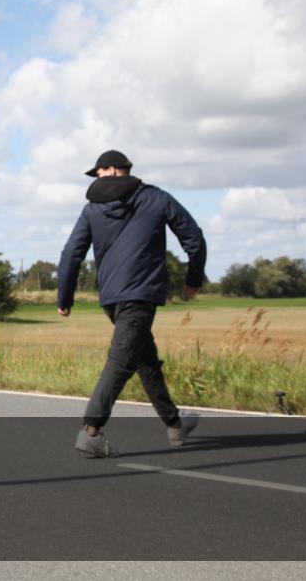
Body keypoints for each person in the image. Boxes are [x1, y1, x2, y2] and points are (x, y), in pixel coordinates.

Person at [57, 150, 207, 458]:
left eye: (98, 172)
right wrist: (193, 278)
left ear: (112, 170)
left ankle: (175, 423)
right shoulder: (156, 198)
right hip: (140, 295)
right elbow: (193, 236)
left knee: (144, 359)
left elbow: (71, 253)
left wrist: (65, 297)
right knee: (122, 360)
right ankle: (91, 430)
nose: (97, 178)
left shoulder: (92, 209)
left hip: (112, 298)